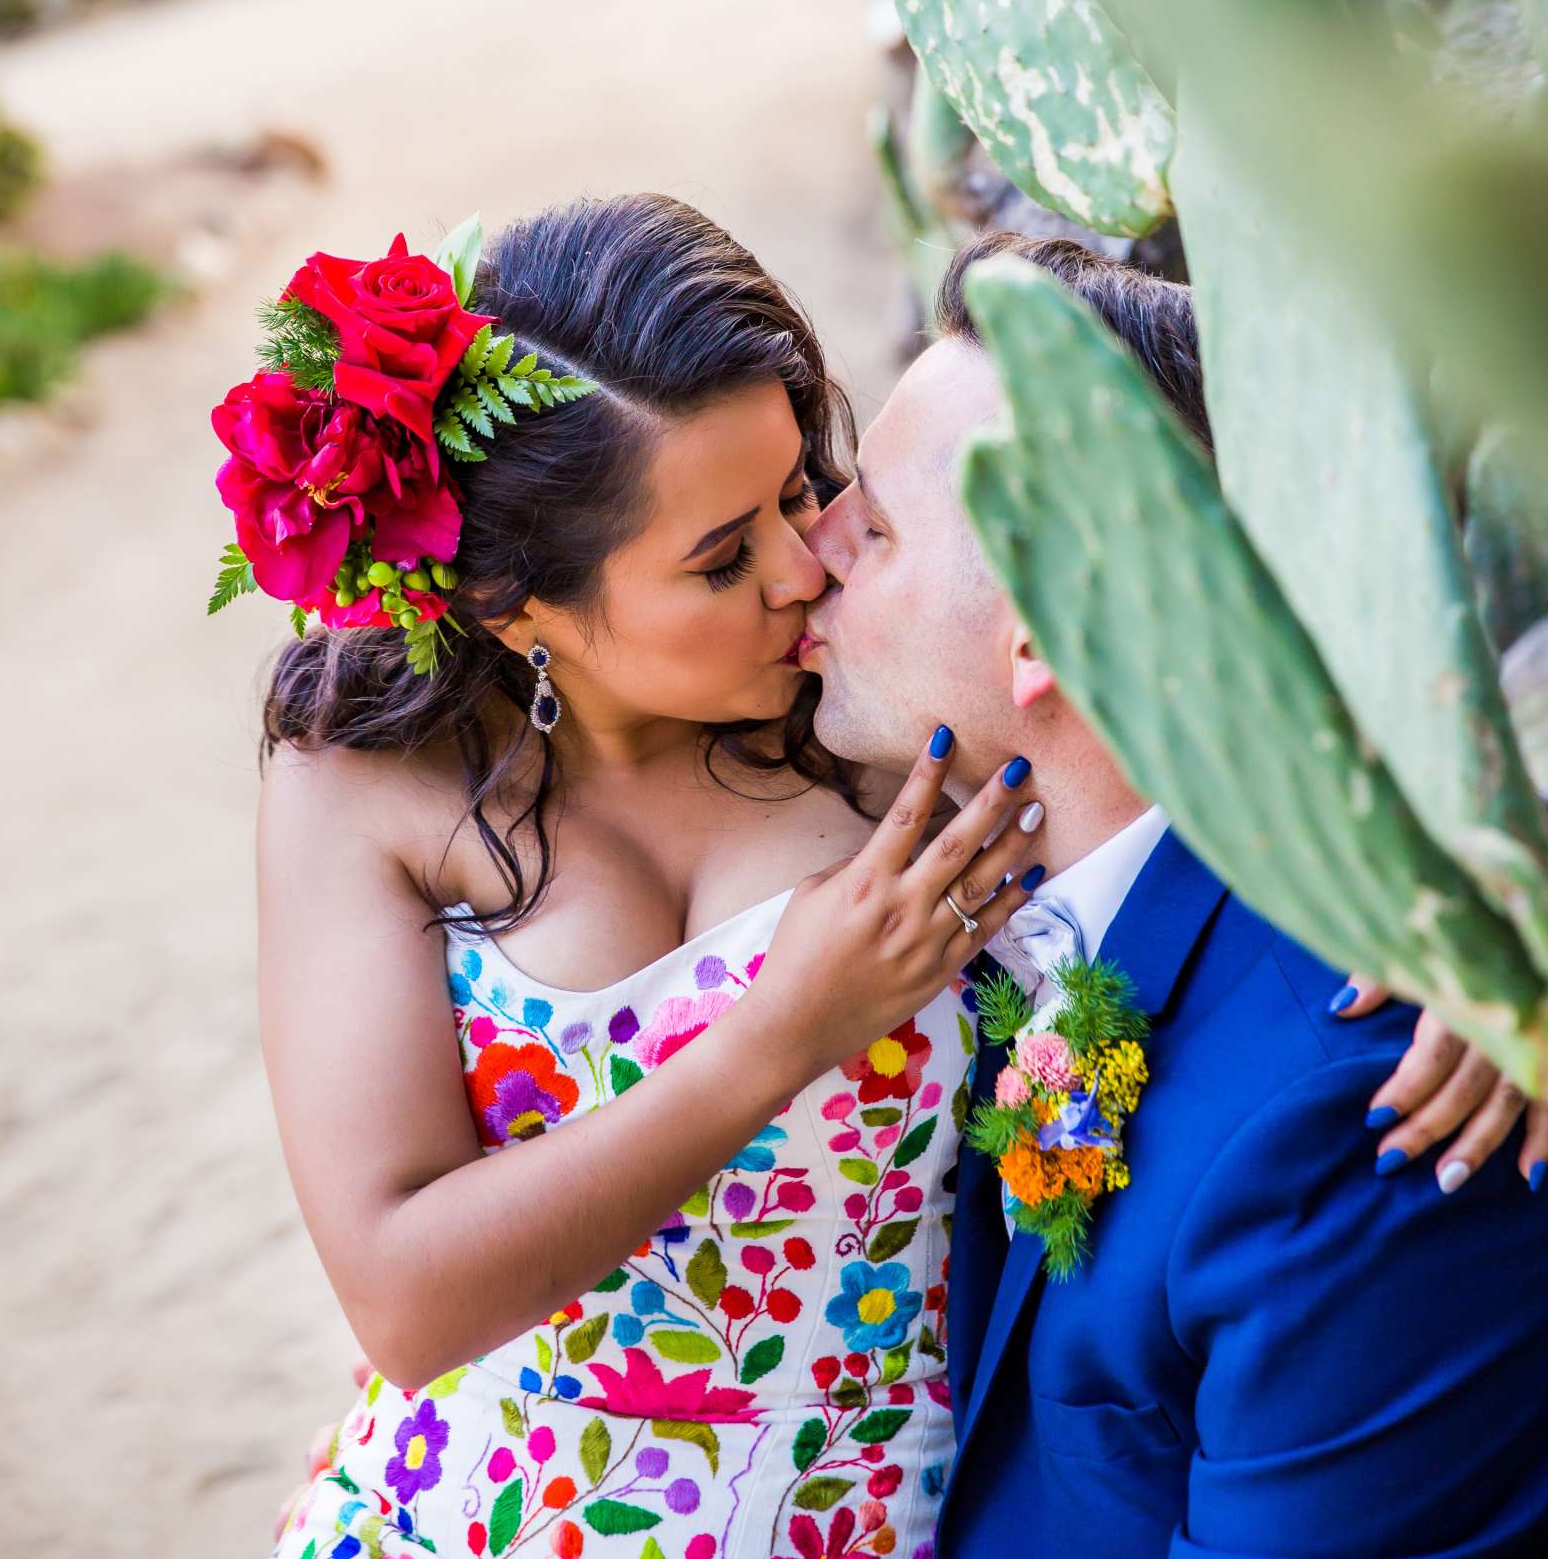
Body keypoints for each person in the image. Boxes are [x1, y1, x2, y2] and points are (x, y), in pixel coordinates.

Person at [236, 196, 1537, 1559]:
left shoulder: (871, 734)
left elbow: (1188, 662)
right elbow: (403, 1294)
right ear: (517, 607)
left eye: (805, 488)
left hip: (855, 1513)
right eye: (723, 559)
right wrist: (784, 1031)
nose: (806, 567)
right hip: (473, 1512)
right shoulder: (372, 781)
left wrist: (1479, 910)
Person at [798, 231, 1548, 1559]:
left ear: (1052, 627)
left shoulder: (1357, 1108)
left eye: (874, 527)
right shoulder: (990, 923)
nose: (811, 555)